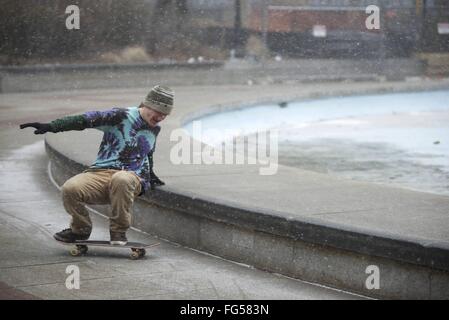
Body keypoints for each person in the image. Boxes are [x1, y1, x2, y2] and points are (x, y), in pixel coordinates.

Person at [20, 85, 173, 245]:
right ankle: (80, 229)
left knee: (121, 179)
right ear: (149, 105)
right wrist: (52, 126)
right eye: (159, 112)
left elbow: (148, 152)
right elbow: (86, 119)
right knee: (70, 189)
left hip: (131, 179)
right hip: (100, 174)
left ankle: (118, 232)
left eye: (165, 115)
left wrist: (151, 175)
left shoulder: (155, 128)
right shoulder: (121, 116)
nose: (161, 117)